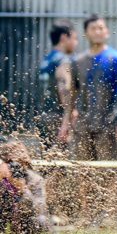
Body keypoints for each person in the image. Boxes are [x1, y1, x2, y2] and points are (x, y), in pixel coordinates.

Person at [61, 15, 117, 160]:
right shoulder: (77, 61)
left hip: (108, 125)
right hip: (82, 125)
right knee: (82, 171)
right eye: (93, 28)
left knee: (107, 173)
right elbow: (72, 94)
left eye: (101, 28)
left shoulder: (116, 59)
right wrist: (65, 123)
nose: (97, 32)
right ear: (86, 33)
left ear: (106, 31)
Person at [37, 21, 78, 151]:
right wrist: (66, 123)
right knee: (60, 164)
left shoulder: (47, 60)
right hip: (58, 119)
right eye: (74, 38)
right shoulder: (63, 61)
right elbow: (65, 90)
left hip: (44, 117)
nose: (76, 43)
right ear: (64, 38)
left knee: (47, 162)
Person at [0, 140, 50, 234]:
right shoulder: (2, 175)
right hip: (4, 215)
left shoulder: (35, 179)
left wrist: (22, 190)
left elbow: (39, 206)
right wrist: (4, 180)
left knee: (39, 220)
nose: (15, 167)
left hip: (27, 218)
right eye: (11, 163)